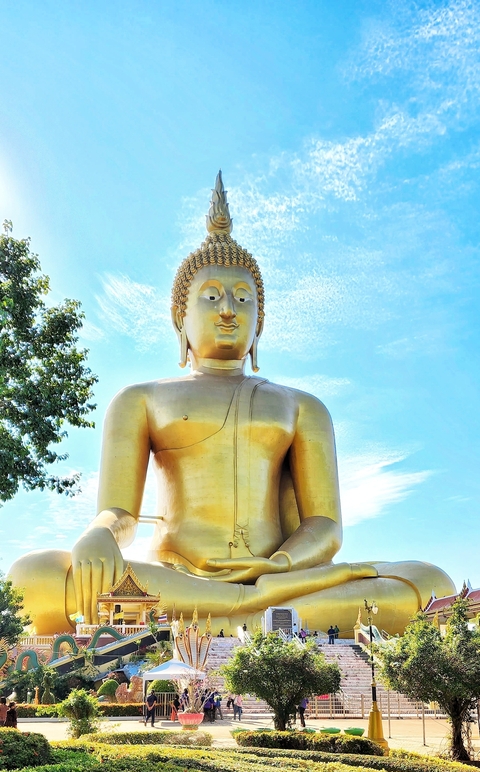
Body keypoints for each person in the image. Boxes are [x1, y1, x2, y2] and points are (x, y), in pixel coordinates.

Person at [10, 172, 454, 639]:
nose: (229, 309)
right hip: (173, 579)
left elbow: (325, 526)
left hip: (281, 577)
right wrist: (101, 531)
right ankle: (252, 614)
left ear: (259, 324)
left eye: (244, 299)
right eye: (212, 296)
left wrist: (276, 564)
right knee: (31, 579)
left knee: (426, 582)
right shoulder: (139, 399)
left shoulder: (302, 407)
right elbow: (120, 513)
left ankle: (235, 611)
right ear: (181, 319)